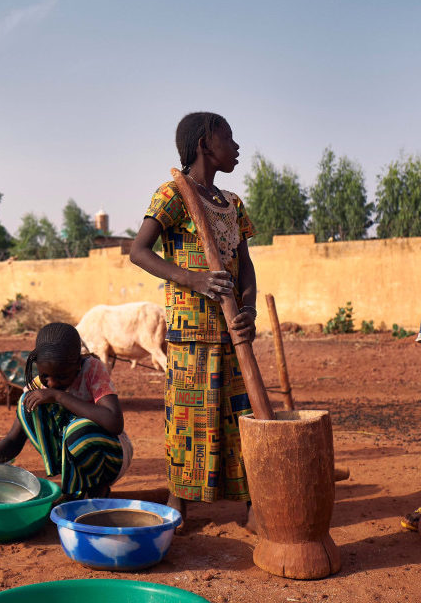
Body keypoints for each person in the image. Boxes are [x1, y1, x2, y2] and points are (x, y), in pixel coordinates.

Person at [130, 111, 257, 530]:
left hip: (232, 331)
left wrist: (250, 310)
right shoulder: (172, 194)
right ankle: (178, 504)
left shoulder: (231, 204)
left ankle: (255, 505)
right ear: (205, 144)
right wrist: (194, 280)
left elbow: (246, 265)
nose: (237, 147)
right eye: (229, 138)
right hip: (191, 332)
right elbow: (139, 251)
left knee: (240, 417)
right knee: (189, 420)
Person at [0, 322, 132, 499]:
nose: (52, 383)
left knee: (77, 430)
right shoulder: (37, 386)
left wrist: (59, 397)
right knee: (26, 403)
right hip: (72, 453)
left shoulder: (92, 369)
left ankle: (98, 487)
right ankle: (75, 490)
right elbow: (14, 439)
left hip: (110, 456)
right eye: (45, 376)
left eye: (62, 376)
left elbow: (114, 422)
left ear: (78, 364)